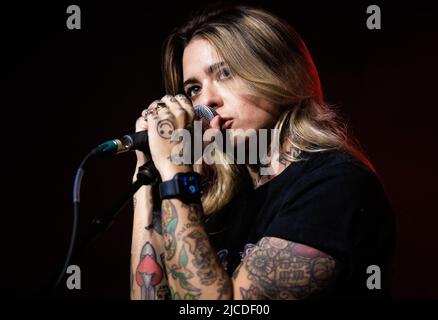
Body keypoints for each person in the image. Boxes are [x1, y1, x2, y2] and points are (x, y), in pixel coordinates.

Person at [130, 5, 395, 300]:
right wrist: (149, 178)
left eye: (226, 73)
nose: (207, 100)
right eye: (193, 89)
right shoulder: (214, 201)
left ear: (281, 74)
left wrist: (177, 175)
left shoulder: (335, 184)